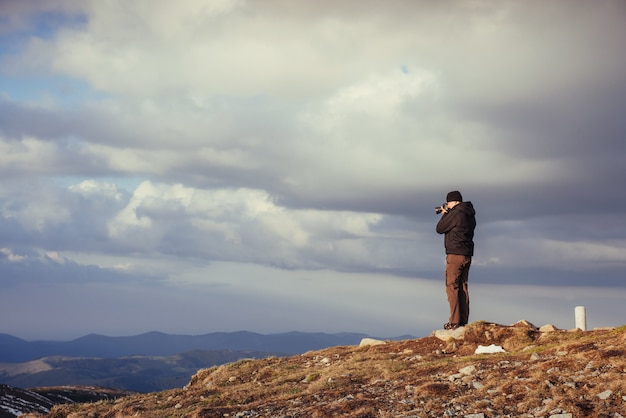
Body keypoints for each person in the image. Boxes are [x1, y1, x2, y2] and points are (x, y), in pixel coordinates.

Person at [436, 190, 476, 330]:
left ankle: (454, 322)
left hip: (455, 255)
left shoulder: (456, 213)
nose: (447, 205)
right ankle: (463, 320)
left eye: (448, 203)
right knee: (463, 286)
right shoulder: (469, 214)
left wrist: (444, 215)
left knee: (452, 287)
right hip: (467, 254)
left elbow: (440, 228)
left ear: (453, 202)